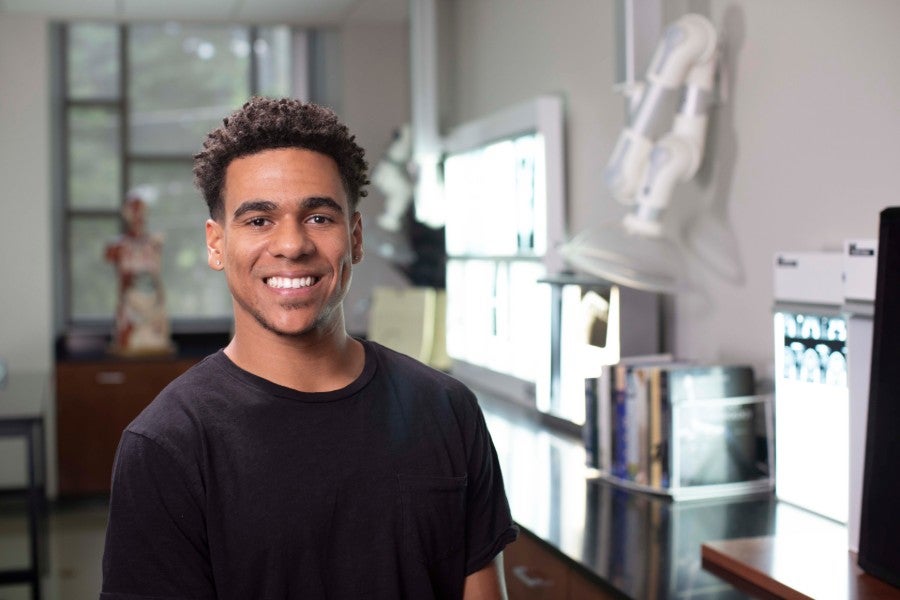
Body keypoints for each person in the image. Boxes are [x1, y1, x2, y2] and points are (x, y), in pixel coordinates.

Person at [100, 97, 518, 600]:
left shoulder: (447, 409)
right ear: (215, 244)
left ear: (356, 237)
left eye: (319, 217)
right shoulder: (167, 446)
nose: (293, 245)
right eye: (259, 221)